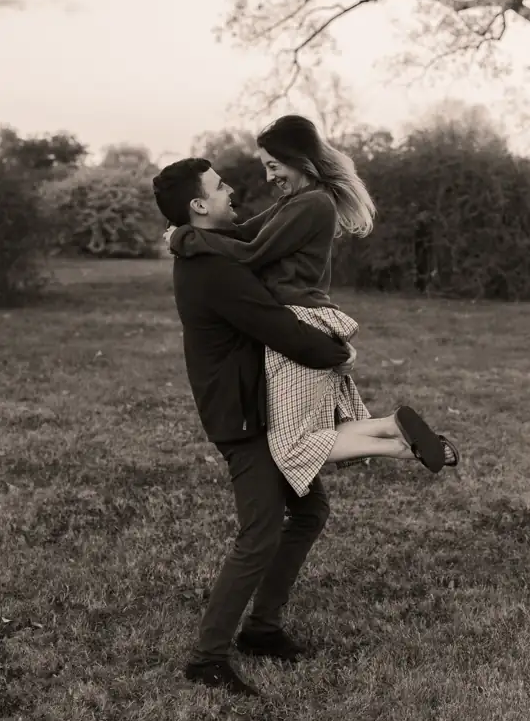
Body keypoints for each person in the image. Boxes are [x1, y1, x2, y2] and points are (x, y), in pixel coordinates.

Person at [168, 116, 459, 499]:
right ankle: (395, 430)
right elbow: (239, 234)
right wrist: (189, 234)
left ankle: (394, 438)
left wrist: (187, 237)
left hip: (299, 314)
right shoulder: (294, 203)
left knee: (292, 448)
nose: (269, 176)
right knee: (309, 435)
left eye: (274, 165)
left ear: (298, 159)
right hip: (302, 312)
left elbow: (250, 253)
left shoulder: (313, 204)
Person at [154, 158, 360, 698]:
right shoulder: (210, 269)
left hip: (259, 408)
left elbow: (259, 233)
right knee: (260, 533)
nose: (231, 191)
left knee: (309, 511)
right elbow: (276, 326)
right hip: (241, 417)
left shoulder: (212, 249)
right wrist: (338, 352)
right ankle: (207, 659)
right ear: (199, 205)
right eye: (219, 186)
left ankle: (262, 629)